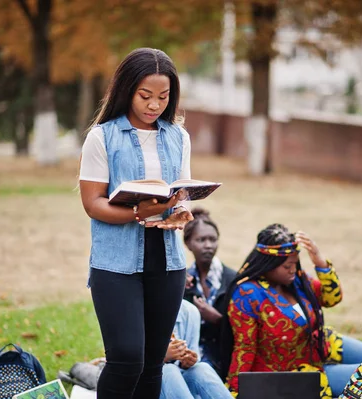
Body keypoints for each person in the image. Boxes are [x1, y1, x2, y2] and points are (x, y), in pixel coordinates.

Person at [78, 48, 194, 399]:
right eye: (145, 96)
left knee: (152, 364)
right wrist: (136, 214)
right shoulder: (102, 137)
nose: (154, 105)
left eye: (163, 97)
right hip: (116, 264)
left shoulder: (179, 137)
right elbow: (92, 203)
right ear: (127, 89)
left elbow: (180, 191)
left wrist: (180, 212)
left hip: (169, 261)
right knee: (127, 357)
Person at [221, 223, 362, 398]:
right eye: (287, 266)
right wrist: (235, 390)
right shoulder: (247, 294)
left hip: (322, 346)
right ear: (268, 264)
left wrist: (320, 262)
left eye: (296, 263)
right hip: (298, 375)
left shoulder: (297, 281)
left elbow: (331, 298)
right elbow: (245, 347)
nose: (293, 270)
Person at [182, 207, 237, 375]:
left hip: (223, 364)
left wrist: (217, 319)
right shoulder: (182, 282)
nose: (208, 246)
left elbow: (244, 332)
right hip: (187, 362)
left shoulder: (233, 280)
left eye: (213, 240)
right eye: (201, 240)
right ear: (188, 244)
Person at [161, 299, 233, 399]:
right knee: (168, 370)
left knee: (201, 369)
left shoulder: (189, 310)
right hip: (146, 381)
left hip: (178, 385)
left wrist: (188, 361)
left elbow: (191, 356)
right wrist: (161, 357)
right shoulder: (137, 308)